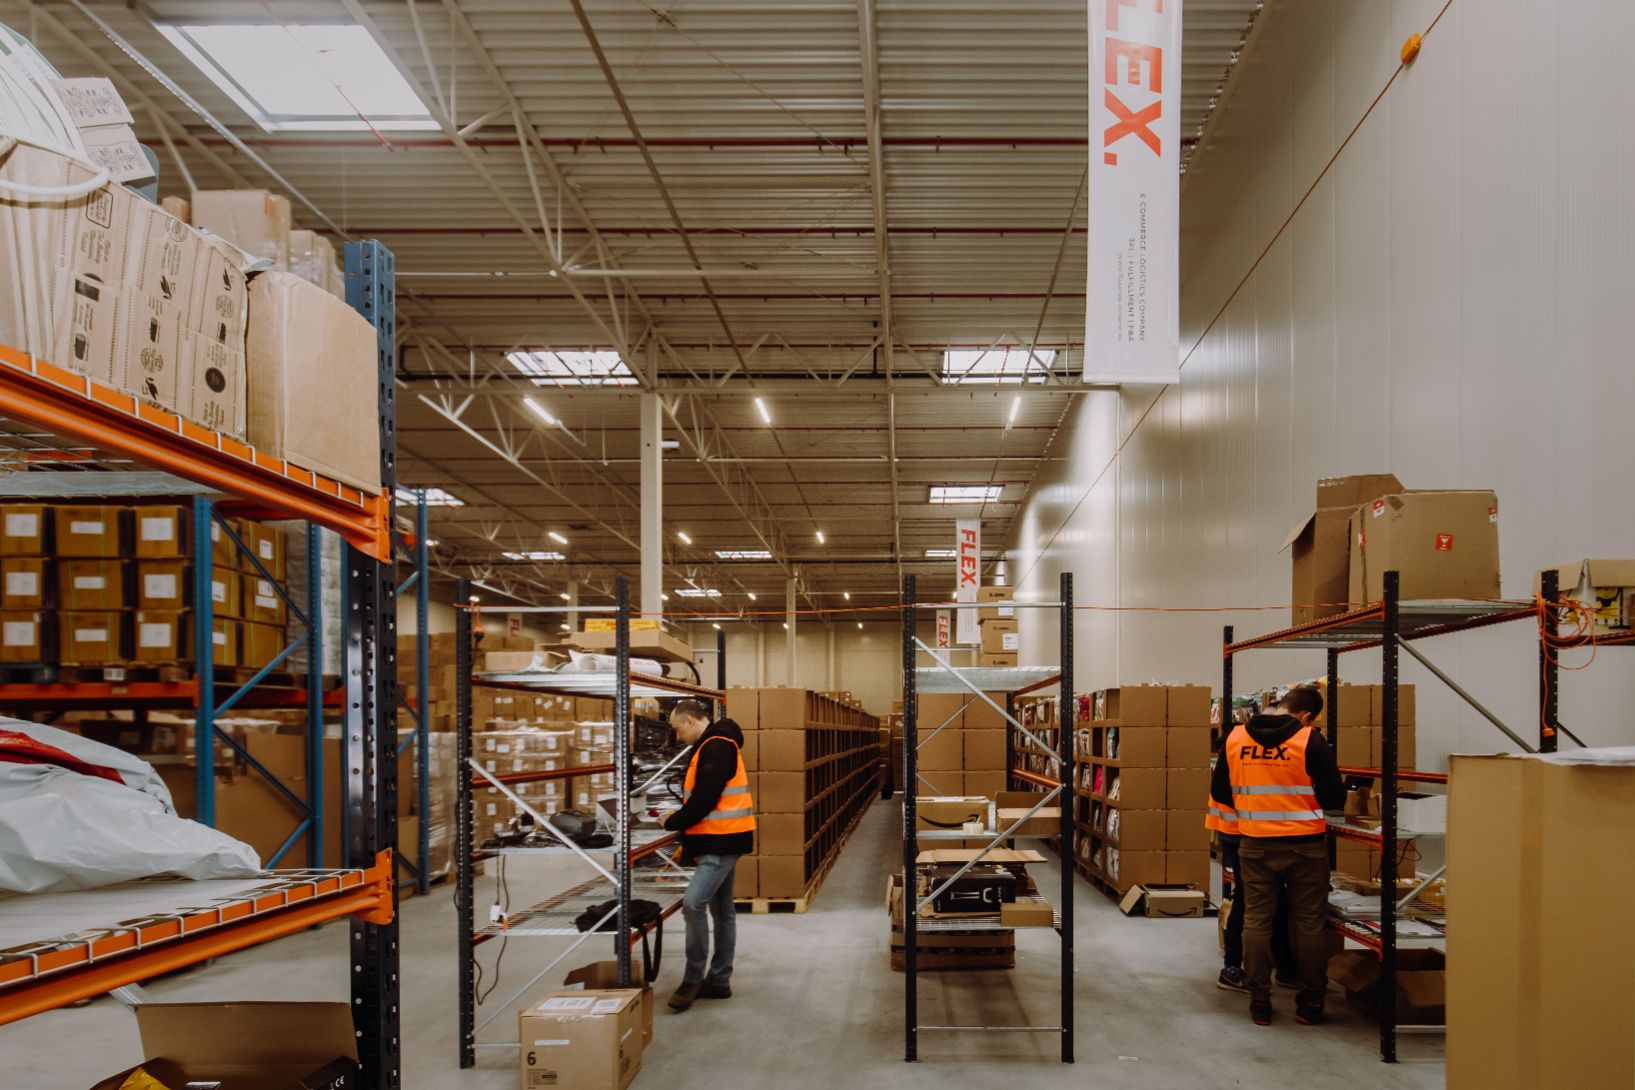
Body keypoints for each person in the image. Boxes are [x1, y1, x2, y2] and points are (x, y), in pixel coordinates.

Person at [1212, 686, 1344, 1025]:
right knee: (1309, 923)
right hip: (1306, 846)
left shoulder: (1236, 737)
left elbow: (1220, 791)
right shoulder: (1309, 740)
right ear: (1306, 716)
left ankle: (1259, 1000)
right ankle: (1311, 1002)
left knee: (1256, 919)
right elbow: (1333, 798)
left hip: (1255, 843)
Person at [661, 699, 755, 1012]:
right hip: (722, 838)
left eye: (677, 729)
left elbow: (704, 800)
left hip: (722, 841)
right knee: (723, 910)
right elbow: (705, 799)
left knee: (693, 903)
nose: (677, 737)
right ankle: (719, 981)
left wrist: (672, 822)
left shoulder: (715, 746)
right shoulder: (714, 743)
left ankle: (692, 979)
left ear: (689, 720)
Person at [1206, 788, 1296, 992]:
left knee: (1269, 897)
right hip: (1244, 829)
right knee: (1248, 896)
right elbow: (1222, 789)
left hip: (1249, 827)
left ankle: (1284, 967)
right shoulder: (1234, 754)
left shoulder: (1234, 754)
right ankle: (1234, 968)